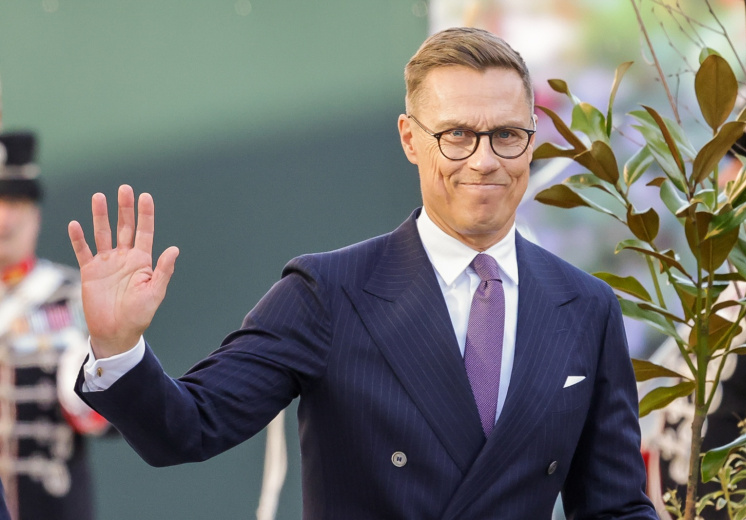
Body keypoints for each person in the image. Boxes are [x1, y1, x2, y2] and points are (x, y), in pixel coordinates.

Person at [68, 27, 658, 519]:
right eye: (456, 135)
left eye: (506, 135)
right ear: (410, 139)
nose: (484, 160)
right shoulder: (327, 294)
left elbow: (614, 508)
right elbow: (187, 428)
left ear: (531, 142)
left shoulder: (585, 307)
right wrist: (118, 347)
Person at [0, 131, 108, 520]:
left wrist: (89, 395)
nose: (5, 219)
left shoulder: (74, 297)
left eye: (16, 203)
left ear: (36, 215)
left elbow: (120, 416)